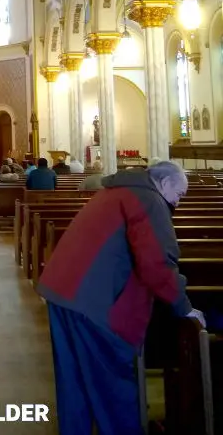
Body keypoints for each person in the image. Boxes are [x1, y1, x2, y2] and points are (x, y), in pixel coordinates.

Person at [38, 160, 203, 435]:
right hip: (93, 301)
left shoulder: (118, 191)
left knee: (74, 383)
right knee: (113, 387)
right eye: (179, 195)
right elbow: (158, 262)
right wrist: (184, 308)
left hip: (63, 292)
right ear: (163, 183)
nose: (178, 203)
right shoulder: (149, 199)